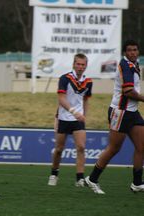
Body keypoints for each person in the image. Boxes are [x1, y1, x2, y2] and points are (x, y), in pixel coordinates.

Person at [85, 40, 144, 194]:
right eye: (130, 50)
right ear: (125, 52)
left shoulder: (134, 64)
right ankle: (92, 179)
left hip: (132, 112)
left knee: (141, 147)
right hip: (120, 111)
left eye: (135, 49)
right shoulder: (125, 65)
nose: (133, 52)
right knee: (114, 148)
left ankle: (137, 183)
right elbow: (128, 92)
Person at [48, 53, 92, 187]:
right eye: (78, 64)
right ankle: (54, 174)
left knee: (81, 147)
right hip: (64, 118)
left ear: (86, 66)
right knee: (59, 149)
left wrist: (84, 115)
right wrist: (74, 112)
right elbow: (61, 99)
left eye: (83, 64)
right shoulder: (65, 78)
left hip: (78, 120)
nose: (80, 67)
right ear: (74, 64)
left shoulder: (88, 82)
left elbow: (85, 99)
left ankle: (79, 178)